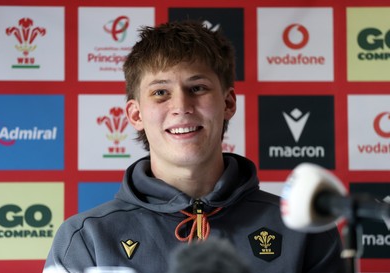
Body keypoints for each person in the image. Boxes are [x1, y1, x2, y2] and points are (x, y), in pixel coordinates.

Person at [43, 20, 345, 273]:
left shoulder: (303, 230)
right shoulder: (87, 238)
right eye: (161, 92)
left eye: (197, 88)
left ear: (227, 103)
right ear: (136, 114)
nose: (181, 107)